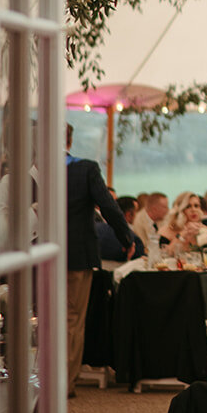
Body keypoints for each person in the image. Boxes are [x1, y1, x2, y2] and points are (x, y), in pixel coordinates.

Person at [65, 125, 136, 399]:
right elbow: (108, 206)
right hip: (76, 255)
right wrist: (126, 238)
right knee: (72, 319)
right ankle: (65, 382)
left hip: (37, 252)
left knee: (40, 316)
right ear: (70, 139)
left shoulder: (32, 169)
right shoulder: (85, 169)